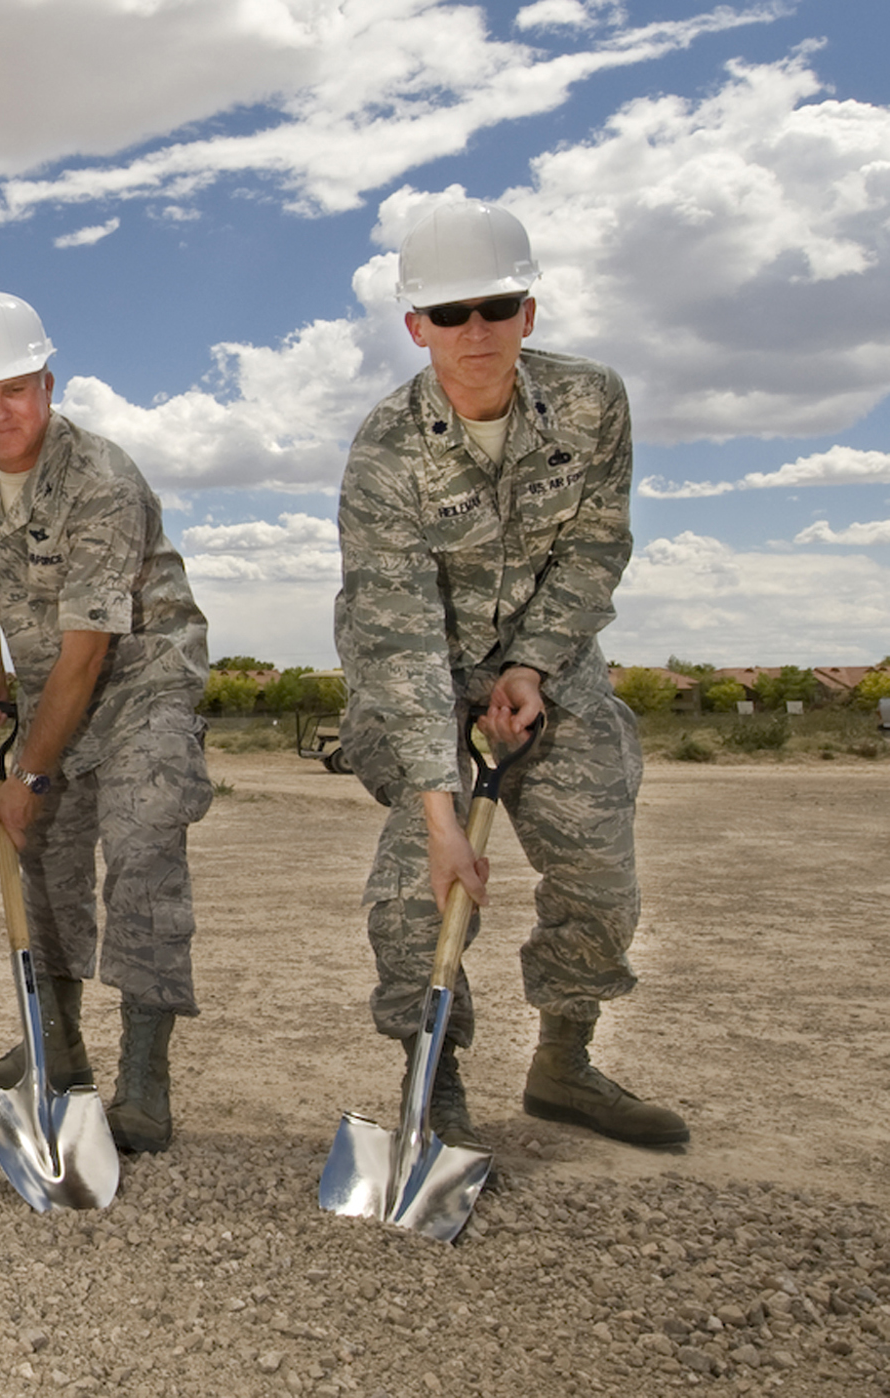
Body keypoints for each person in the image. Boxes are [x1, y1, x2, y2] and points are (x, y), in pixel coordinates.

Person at [334, 199, 688, 1150]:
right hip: (421, 686)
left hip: (553, 666)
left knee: (602, 876)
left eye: (496, 306)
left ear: (529, 311)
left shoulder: (590, 402)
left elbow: (594, 548)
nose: (475, 330)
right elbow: (397, 634)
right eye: (449, 314)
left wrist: (533, 665)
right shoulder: (385, 454)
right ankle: (434, 1082)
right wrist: (443, 819)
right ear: (417, 328)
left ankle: (564, 1065)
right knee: (417, 895)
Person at [0, 290, 212, 1154]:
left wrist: (29, 777)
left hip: (142, 683)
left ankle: (145, 1083)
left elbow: (91, 651)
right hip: (55, 685)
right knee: (42, 863)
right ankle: (55, 1048)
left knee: (140, 852)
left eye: (15, 390)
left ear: (48, 385)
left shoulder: (102, 480)